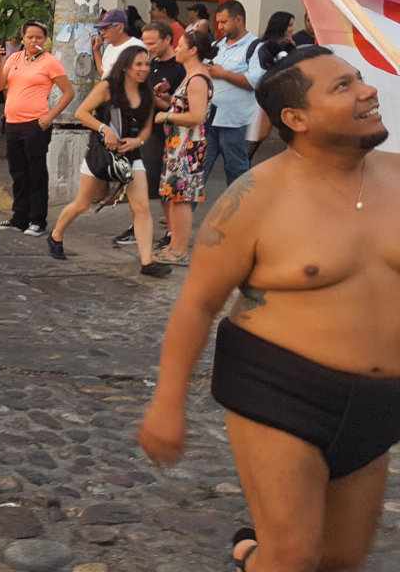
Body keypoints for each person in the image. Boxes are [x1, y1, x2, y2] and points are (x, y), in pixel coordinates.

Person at [139, 45, 396, 571]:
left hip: (378, 402)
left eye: (359, 79)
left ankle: (249, 554)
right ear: (296, 118)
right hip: (280, 388)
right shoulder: (255, 198)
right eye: (343, 87)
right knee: (294, 556)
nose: (368, 92)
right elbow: (198, 304)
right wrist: (168, 404)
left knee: (342, 559)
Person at [45, 48, 172, 278]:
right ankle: (56, 234)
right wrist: (104, 129)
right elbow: (82, 113)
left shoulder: (147, 93)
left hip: (131, 155)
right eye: (138, 64)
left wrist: (138, 141)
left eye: (146, 64)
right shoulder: (108, 87)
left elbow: (147, 127)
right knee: (82, 203)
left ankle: (147, 261)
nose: (144, 69)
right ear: (125, 66)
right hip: (102, 153)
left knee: (142, 208)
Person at [0, 20, 74, 236]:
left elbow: (68, 93)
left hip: (36, 124)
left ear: (45, 40)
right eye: (30, 37)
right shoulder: (14, 58)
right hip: (12, 123)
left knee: (36, 172)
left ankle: (37, 220)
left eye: (38, 37)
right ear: (23, 38)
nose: (34, 41)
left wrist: (49, 117)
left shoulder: (50, 62)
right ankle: (19, 217)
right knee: (17, 172)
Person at [113, 19, 187, 248]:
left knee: (165, 187)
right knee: (139, 181)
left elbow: (177, 106)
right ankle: (138, 226)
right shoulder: (149, 64)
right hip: (144, 132)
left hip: (167, 134)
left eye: (153, 43)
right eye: (145, 43)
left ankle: (172, 234)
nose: (149, 47)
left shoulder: (179, 68)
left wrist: (154, 98)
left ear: (167, 40)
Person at [152, 29, 214, 266]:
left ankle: (179, 249)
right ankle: (174, 245)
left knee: (181, 198)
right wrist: (166, 101)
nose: (176, 49)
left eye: (180, 45)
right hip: (179, 144)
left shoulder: (197, 78)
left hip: (186, 146)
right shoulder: (192, 76)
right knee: (176, 197)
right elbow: (182, 108)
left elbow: (196, 115)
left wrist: (165, 116)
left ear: (193, 50)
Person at [205, 0, 262, 186]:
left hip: (235, 121)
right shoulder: (218, 44)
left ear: (238, 19)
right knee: (199, 168)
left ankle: (241, 212)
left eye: (224, 22)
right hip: (210, 117)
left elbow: (253, 82)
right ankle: (183, 214)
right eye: (218, 22)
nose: (220, 26)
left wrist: (223, 74)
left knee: (236, 171)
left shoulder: (255, 47)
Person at [246, 10, 296, 160]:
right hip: (261, 101)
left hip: (275, 100)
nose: (292, 29)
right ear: (281, 26)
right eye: (290, 25)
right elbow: (259, 73)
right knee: (252, 141)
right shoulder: (266, 47)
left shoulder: (285, 46)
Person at [94, 8, 142, 78]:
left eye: (106, 28)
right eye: (101, 29)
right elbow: (104, 75)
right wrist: (96, 50)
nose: (102, 33)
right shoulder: (109, 47)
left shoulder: (136, 46)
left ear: (119, 27)